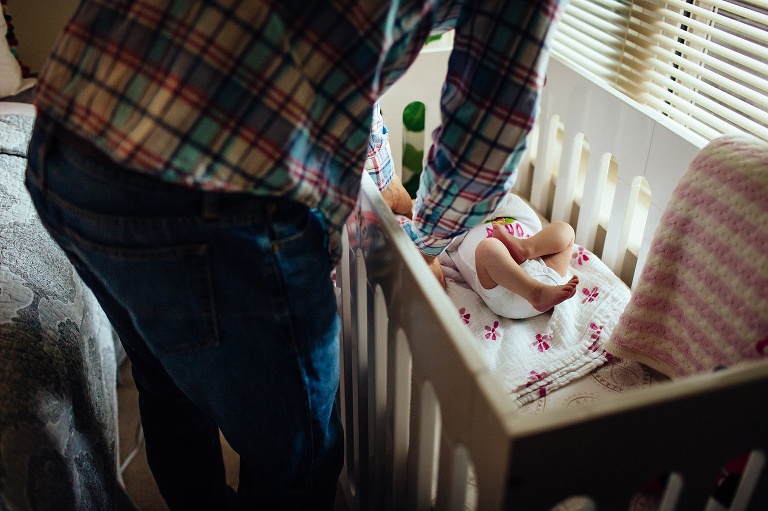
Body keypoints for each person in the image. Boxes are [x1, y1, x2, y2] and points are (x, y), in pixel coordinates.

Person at [25, 1, 567, 509]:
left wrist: (394, 200)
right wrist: (419, 244)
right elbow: (485, 138)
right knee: (298, 450)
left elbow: (342, 88)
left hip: (64, 143)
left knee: (168, 388)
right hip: (204, 191)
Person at [450, 194, 579, 319]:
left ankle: (525, 249)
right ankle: (536, 292)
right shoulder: (457, 219)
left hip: (548, 275)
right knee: (487, 247)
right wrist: (466, 215)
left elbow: (535, 225)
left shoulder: (509, 203)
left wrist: (499, 202)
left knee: (565, 229)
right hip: (505, 288)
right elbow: (448, 241)